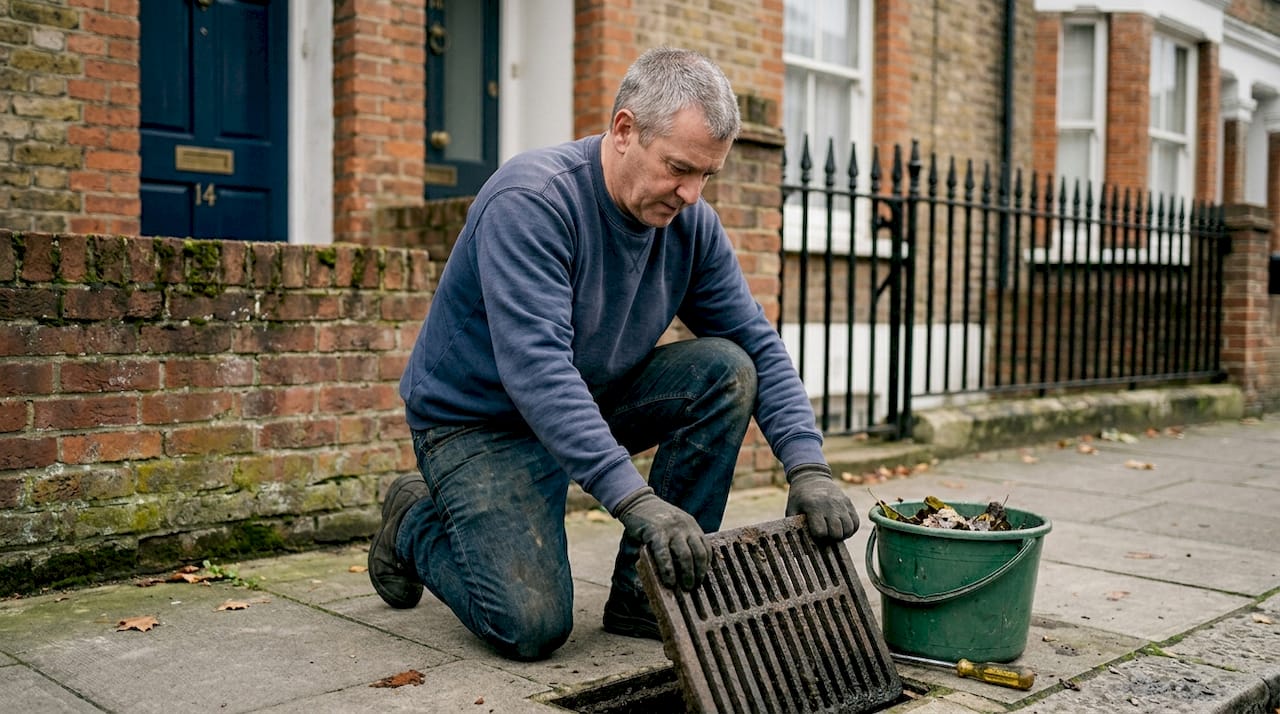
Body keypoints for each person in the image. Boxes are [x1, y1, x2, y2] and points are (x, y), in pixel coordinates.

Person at [370, 47, 859, 662]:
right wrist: (637, 504)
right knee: (531, 626)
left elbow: (757, 343)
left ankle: (645, 595)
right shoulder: (532, 201)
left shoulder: (690, 224)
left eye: (707, 175)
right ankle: (413, 518)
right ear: (624, 130)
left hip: (586, 398)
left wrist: (808, 467)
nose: (690, 193)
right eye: (679, 168)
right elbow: (539, 371)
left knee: (728, 369)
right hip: (478, 424)